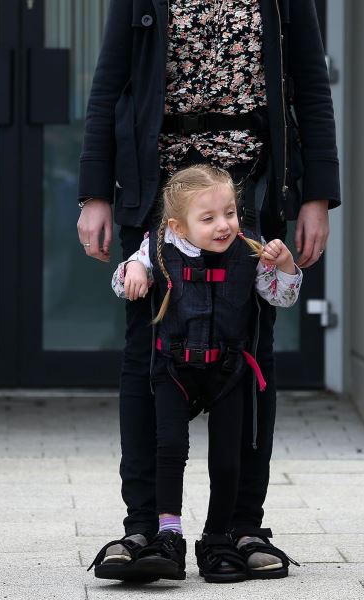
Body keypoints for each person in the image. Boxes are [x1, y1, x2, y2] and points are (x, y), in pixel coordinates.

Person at [78, 0, 339, 581]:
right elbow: (108, 89)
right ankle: (146, 528)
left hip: (251, 190)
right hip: (157, 197)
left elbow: (311, 91)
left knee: (249, 360)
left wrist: (316, 195)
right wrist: (95, 191)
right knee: (147, 361)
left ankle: (239, 528)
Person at [99, 165, 301, 582]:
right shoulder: (157, 246)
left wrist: (286, 265)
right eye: (208, 219)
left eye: (230, 213)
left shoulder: (251, 249)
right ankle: (167, 535)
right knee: (169, 449)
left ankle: (218, 536)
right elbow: (122, 282)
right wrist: (133, 271)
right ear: (179, 225)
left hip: (228, 370)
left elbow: (281, 297)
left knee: (228, 458)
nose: (224, 225)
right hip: (174, 368)